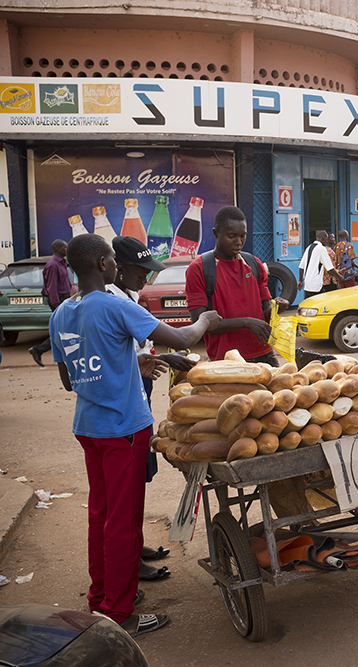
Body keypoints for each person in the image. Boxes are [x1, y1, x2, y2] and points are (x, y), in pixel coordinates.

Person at [50, 233, 221, 637]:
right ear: (103, 265)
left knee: (102, 516)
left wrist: (133, 362)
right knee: (123, 523)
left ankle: (100, 599)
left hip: (89, 427)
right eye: (110, 259)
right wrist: (205, 320)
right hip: (124, 428)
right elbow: (182, 339)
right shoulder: (113, 304)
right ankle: (121, 612)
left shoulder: (61, 313)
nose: (113, 265)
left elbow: (68, 380)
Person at [107, 236, 194, 583]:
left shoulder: (128, 295)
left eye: (150, 273)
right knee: (126, 489)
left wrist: (157, 357)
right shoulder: (114, 301)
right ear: (118, 268)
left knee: (138, 480)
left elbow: (133, 349)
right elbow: (116, 357)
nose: (147, 279)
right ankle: (129, 563)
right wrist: (201, 326)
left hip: (139, 391)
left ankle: (135, 545)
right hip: (124, 406)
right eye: (141, 272)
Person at [185, 206, 285, 365]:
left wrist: (277, 307)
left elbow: (265, 311)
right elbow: (199, 322)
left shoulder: (254, 264)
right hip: (225, 359)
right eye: (231, 236)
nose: (238, 242)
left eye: (242, 236)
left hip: (264, 354)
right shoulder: (199, 269)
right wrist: (246, 322)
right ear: (216, 233)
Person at [29, 239, 73, 367]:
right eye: (65, 247)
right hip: (58, 300)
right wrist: (57, 305)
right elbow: (52, 287)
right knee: (63, 329)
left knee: (64, 328)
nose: (67, 249)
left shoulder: (63, 263)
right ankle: (39, 349)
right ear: (58, 249)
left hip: (64, 299)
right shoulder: (53, 265)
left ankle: (41, 350)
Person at [298, 230, 335, 300]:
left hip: (307, 285)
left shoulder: (308, 247)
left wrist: (300, 281)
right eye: (326, 239)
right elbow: (330, 268)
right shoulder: (321, 249)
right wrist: (339, 277)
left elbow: (301, 267)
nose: (326, 241)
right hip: (316, 285)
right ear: (322, 238)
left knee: (309, 305)